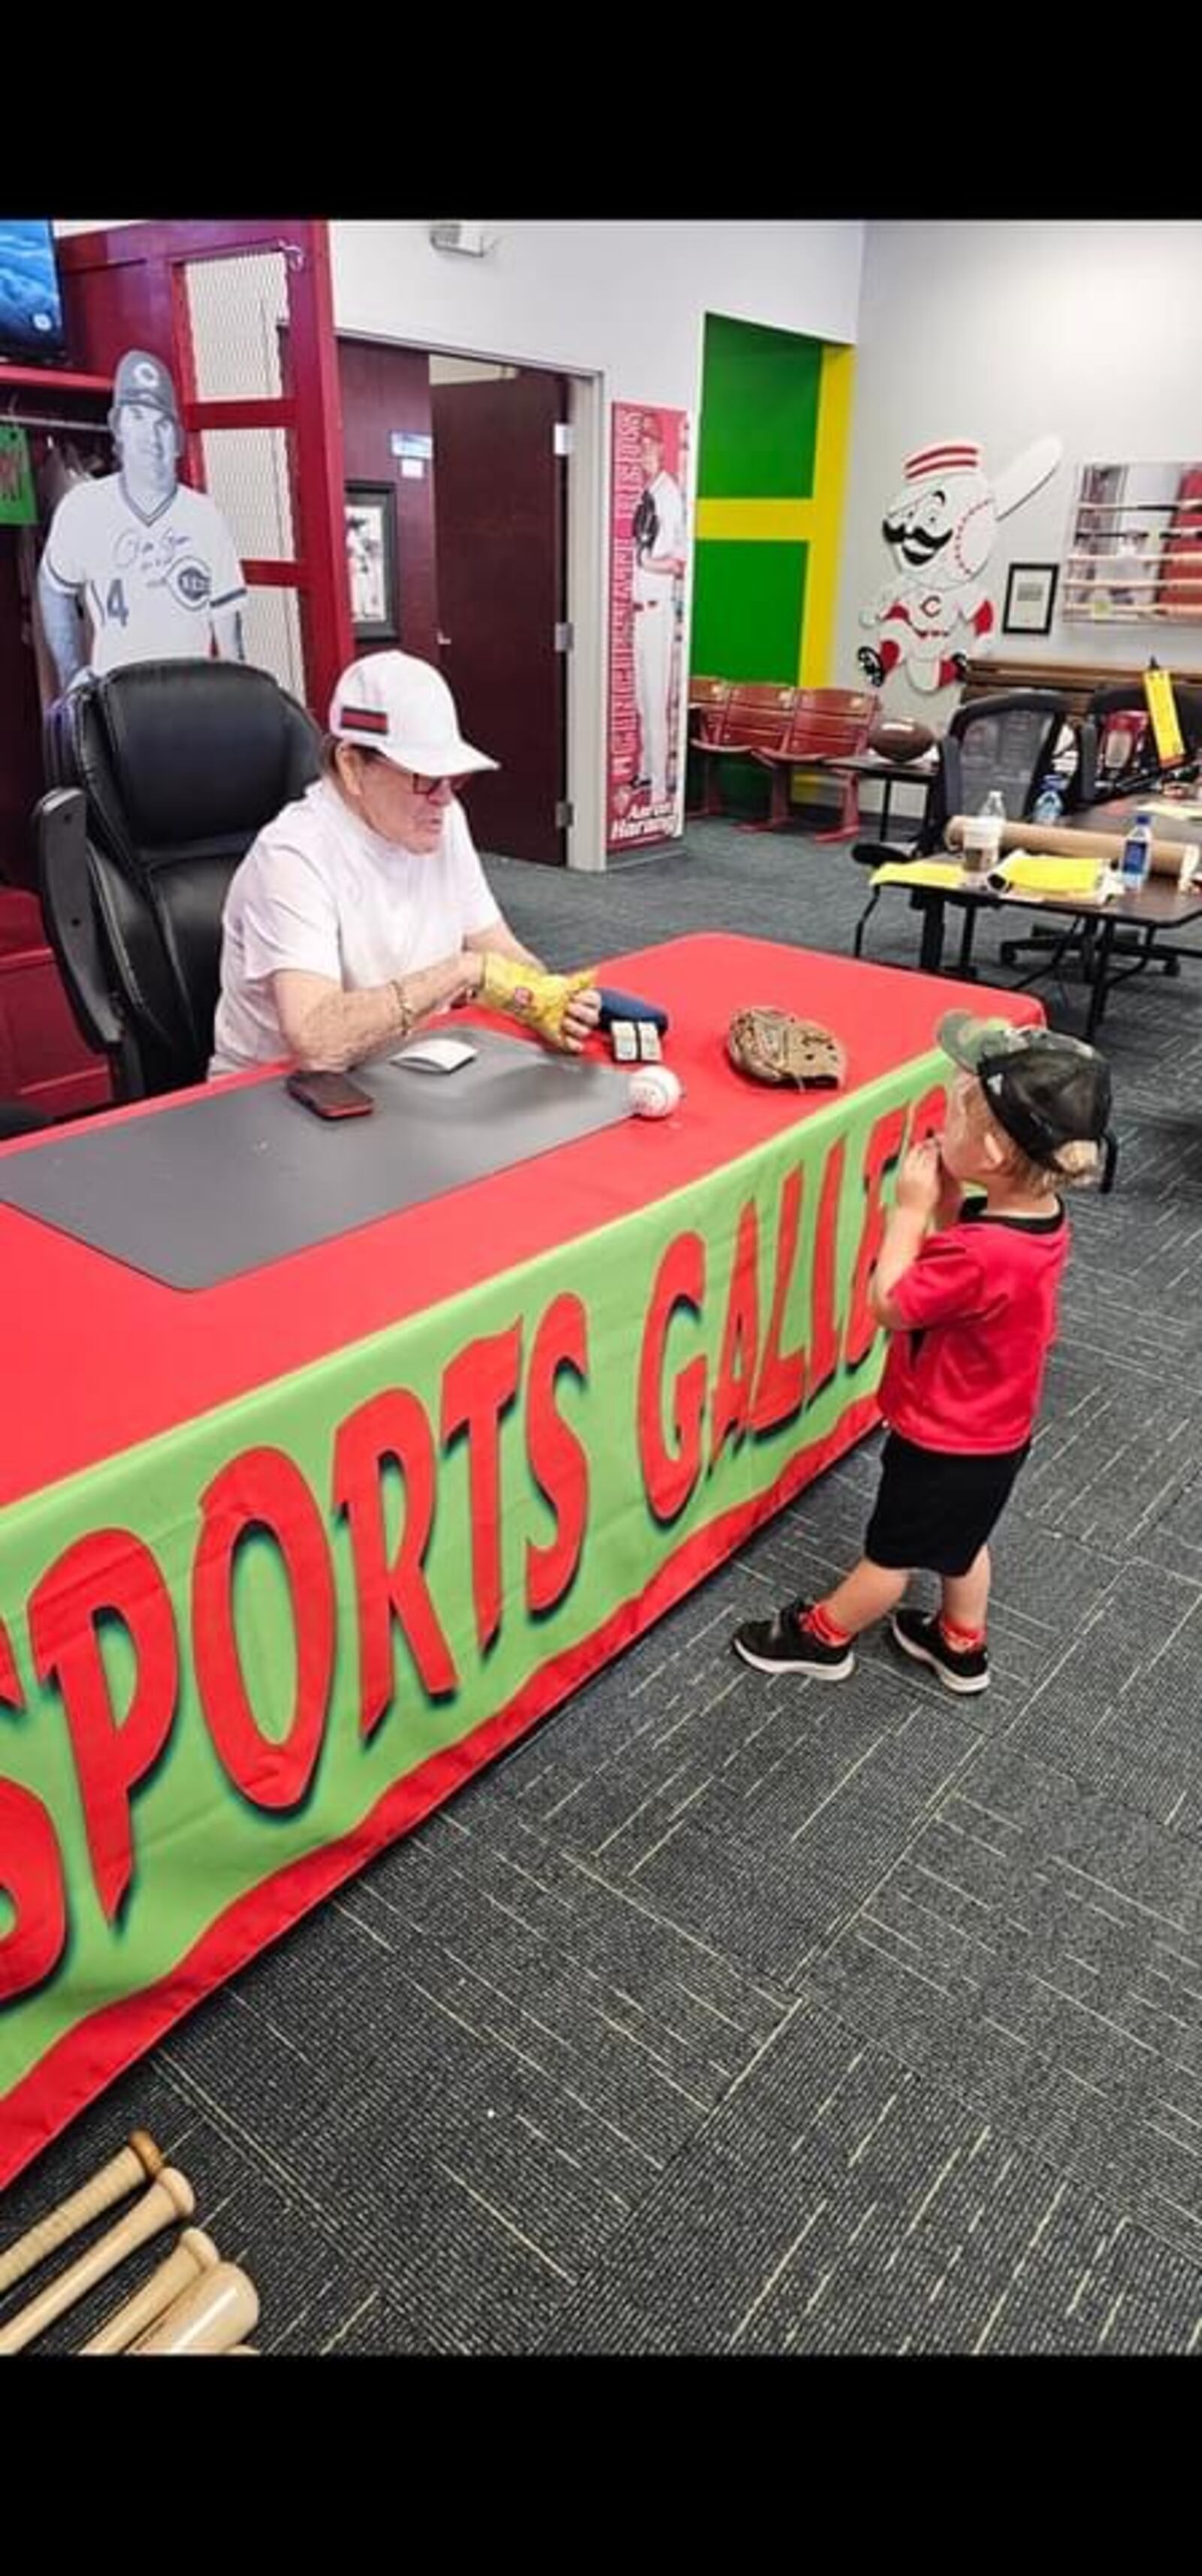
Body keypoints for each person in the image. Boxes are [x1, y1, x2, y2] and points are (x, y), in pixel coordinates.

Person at [732, 1014, 1116, 1697]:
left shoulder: (978, 1252)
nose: (940, 1128)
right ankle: (960, 1643)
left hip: (944, 1438)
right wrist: (947, 1212)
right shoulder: (1038, 1219)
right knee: (963, 1540)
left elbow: (893, 1303)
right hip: (997, 1434)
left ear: (995, 1154)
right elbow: (975, 1298)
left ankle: (822, 1637)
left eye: (953, 1119)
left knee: (891, 1557)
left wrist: (908, 1213)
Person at [210, 648, 600, 1078]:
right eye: (426, 777)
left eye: (453, 778)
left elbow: (497, 947)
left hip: (398, 1067)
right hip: (276, 1091)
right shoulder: (291, 855)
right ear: (352, 765)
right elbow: (316, 1042)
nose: (445, 797)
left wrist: (547, 994)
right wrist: (462, 972)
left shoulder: (443, 819)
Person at [38, 348, 247, 691]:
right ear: (118, 426)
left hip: (190, 698)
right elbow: (53, 586)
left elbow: (229, 627)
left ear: (176, 439)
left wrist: (237, 697)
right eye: (137, 416)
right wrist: (73, 674)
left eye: (161, 423)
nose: (150, 435)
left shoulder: (204, 516)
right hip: (118, 702)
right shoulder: (84, 506)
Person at [630, 410, 686, 808]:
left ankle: (660, 790)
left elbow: (679, 559)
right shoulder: (647, 492)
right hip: (638, 610)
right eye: (639, 445)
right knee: (641, 699)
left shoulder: (669, 495)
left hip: (658, 610)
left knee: (656, 699)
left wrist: (650, 563)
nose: (643, 452)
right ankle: (648, 772)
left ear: (662, 448)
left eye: (649, 444)